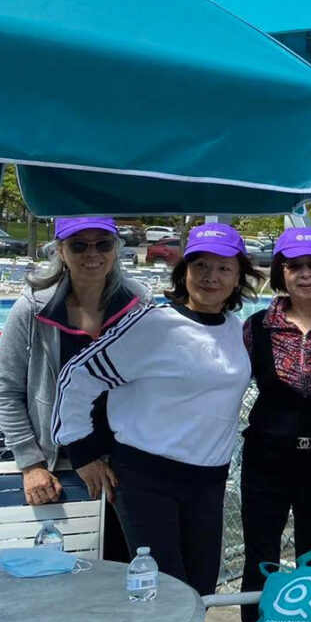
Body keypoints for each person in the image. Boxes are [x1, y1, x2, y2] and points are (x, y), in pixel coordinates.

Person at [52, 222, 262, 596]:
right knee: (163, 594)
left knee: (199, 591)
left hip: (209, 483)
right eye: (200, 266)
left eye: (224, 268)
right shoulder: (153, 325)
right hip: (147, 481)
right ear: (184, 272)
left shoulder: (234, 329)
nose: (211, 277)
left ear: (237, 279)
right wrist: (81, 451)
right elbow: (78, 376)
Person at [0, 216, 149, 560]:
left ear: (115, 249)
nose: (91, 254)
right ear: (61, 250)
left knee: (124, 575)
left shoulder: (137, 306)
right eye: (79, 245)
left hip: (125, 466)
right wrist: (31, 463)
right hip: (58, 466)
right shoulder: (33, 308)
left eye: (103, 244)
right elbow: (5, 389)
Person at [238, 227, 311, 622]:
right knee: (260, 557)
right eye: (294, 265)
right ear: (280, 272)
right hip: (266, 458)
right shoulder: (257, 328)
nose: (305, 274)